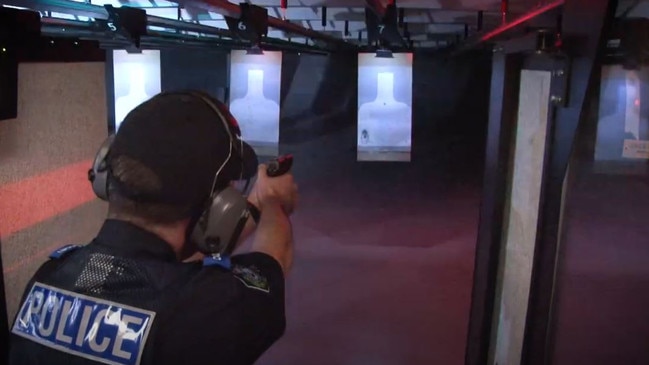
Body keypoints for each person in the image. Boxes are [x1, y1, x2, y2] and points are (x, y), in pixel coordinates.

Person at [8, 91, 298, 365]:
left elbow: (170, 275)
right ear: (218, 206)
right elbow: (273, 260)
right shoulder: (203, 313)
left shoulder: (48, 278)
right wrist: (273, 201)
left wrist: (257, 205)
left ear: (105, 175)